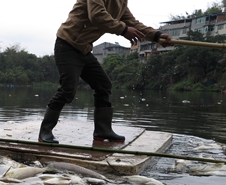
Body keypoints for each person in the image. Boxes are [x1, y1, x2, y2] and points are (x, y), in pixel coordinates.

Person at [38, 0, 173, 143]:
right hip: (67, 45)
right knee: (68, 89)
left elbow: (133, 23)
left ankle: (102, 131)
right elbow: (96, 15)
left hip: (84, 49)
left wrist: (157, 36)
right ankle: (45, 131)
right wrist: (124, 30)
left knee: (104, 85)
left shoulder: (121, 2)